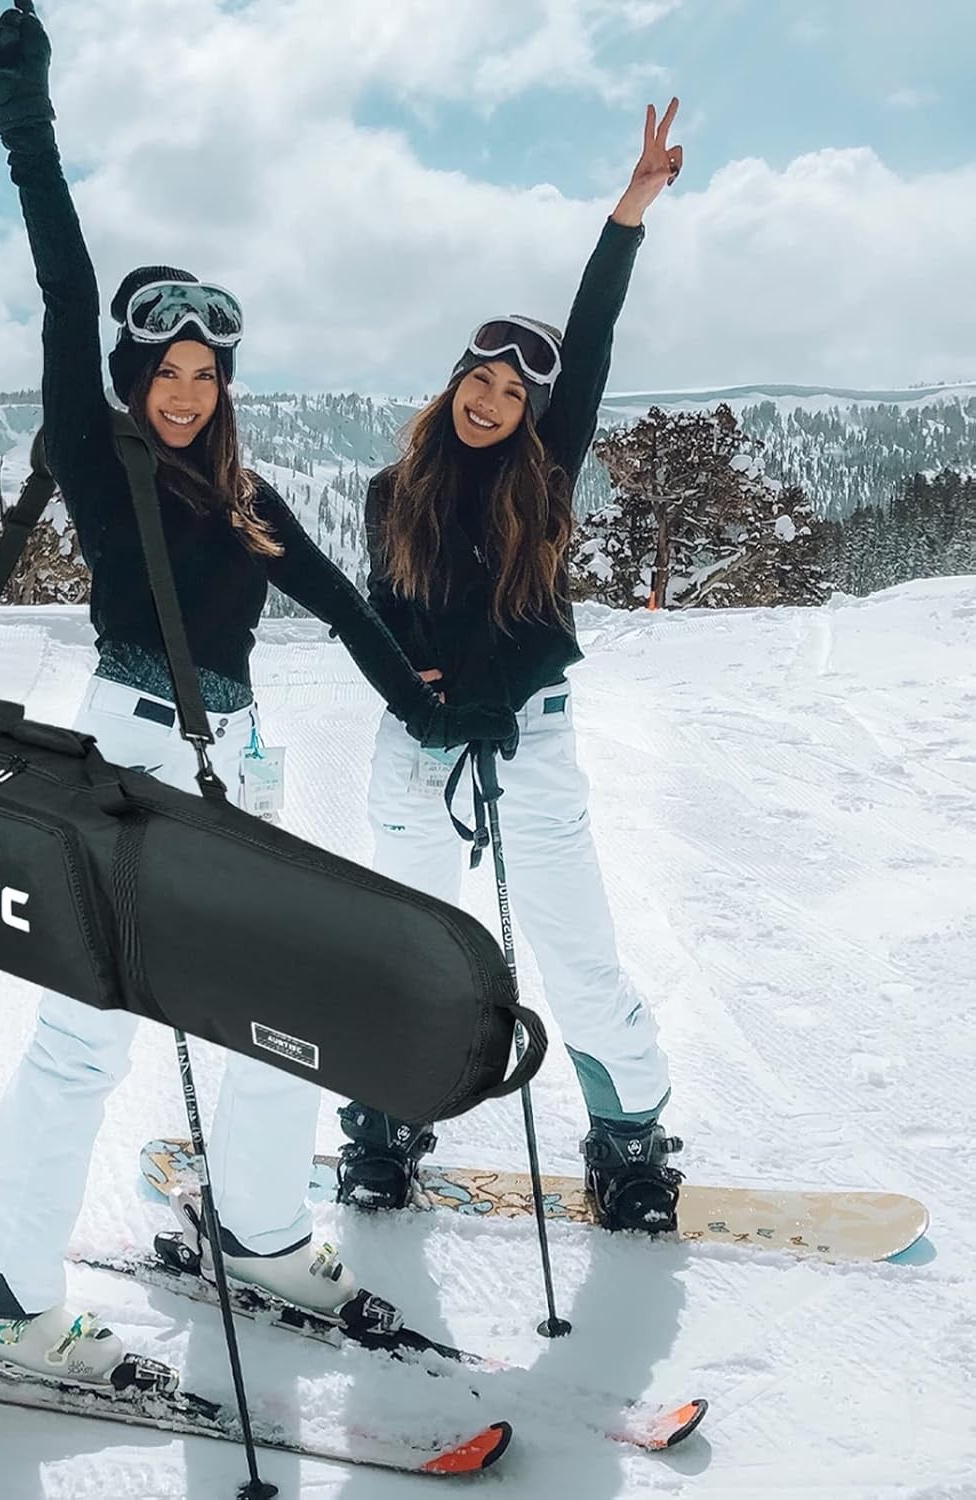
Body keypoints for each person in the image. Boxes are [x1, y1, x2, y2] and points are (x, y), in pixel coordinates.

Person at [0, 1, 505, 1386]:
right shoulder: (101, 459)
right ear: (133, 376)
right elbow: (67, 290)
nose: (186, 391)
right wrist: (28, 125)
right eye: (166, 371)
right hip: (131, 757)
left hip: (235, 764)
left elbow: (345, 609)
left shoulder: (241, 496)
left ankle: (255, 1236)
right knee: (86, 1036)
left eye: (205, 373)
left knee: (272, 1010)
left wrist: (432, 709)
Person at [337, 101, 688, 1234]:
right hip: (420, 748)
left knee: (577, 953)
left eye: (514, 394)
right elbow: (383, 620)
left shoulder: (548, 476)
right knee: (404, 947)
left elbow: (592, 335)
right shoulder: (394, 494)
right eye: (479, 383)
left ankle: (629, 1140)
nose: (491, 404)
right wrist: (421, 692)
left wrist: (629, 213)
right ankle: (385, 1121)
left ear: (537, 411)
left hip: (531, 736)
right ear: (454, 385)